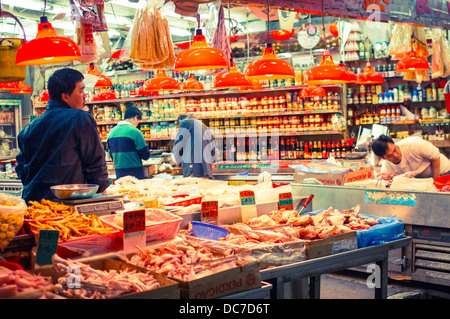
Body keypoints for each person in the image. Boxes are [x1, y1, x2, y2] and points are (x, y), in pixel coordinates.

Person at [16, 68, 109, 203]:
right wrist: (103, 198)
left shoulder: (27, 130)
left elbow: (21, 170)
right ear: (65, 97)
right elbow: (95, 163)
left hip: (33, 205)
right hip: (69, 206)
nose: (85, 96)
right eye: (81, 91)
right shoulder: (81, 118)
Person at [371, 134, 450, 179]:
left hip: (443, 171)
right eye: (390, 156)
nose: (395, 155)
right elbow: (384, 180)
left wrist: (436, 178)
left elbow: (435, 155)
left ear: (394, 144)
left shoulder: (413, 144)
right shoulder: (387, 166)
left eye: (395, 150)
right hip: (424, 180)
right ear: (383, 158)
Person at [107, 106, 151, 179]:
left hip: (119, 173)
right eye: (138, 121)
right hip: (135, 174)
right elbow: (145, 155)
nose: (137, 124)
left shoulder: (111, 133)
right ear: (135, 117)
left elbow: (111, 155)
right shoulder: (135, 132)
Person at [172, 114, 216, 179]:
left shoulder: (184, 123)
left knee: (192, 188)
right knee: (203, 188)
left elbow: (179, 145)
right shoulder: (203, 125)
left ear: (179, 122)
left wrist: (177, 160)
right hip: (206, 170)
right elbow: (213, 151)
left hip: (193, 169)